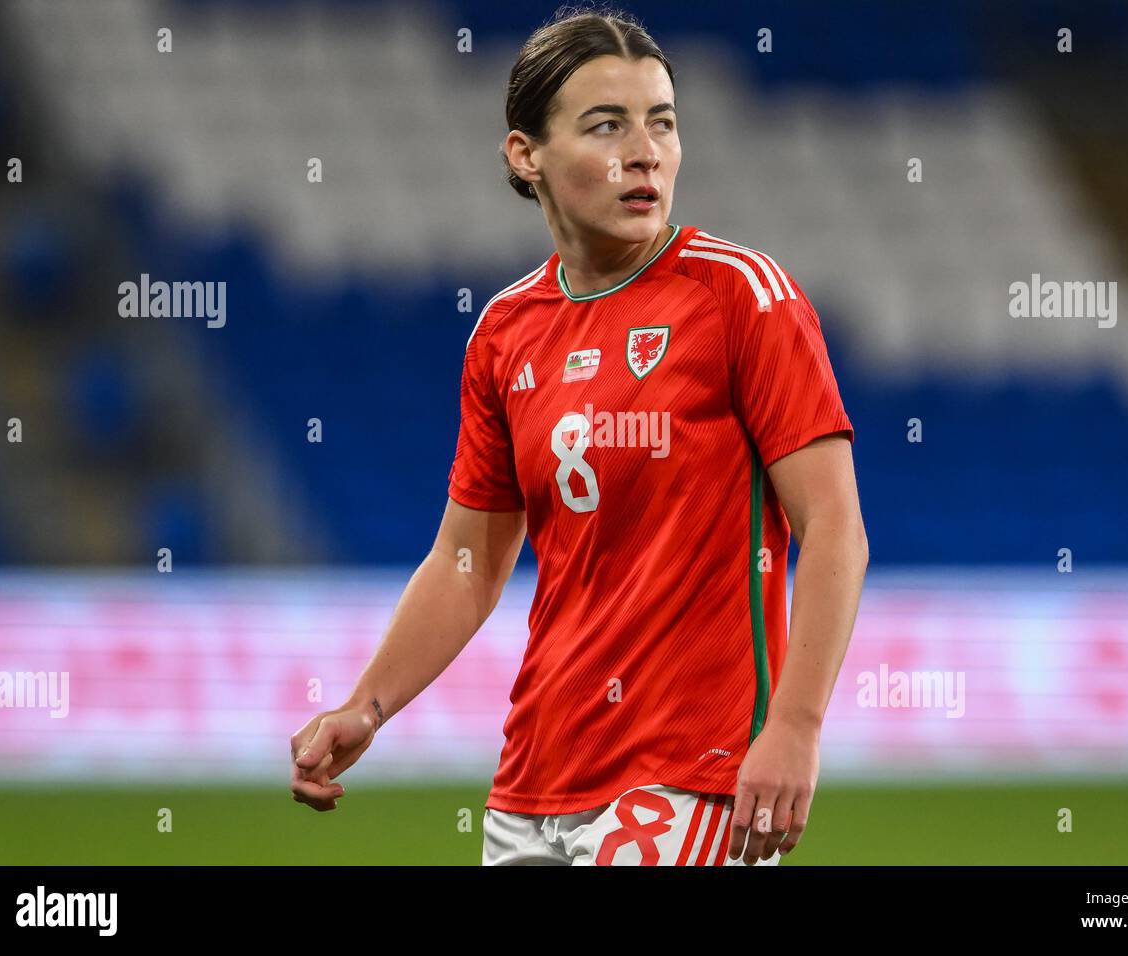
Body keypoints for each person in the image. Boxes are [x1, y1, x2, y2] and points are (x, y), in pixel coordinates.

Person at [291, 6, 868, 867]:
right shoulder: (504, 332)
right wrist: (366, 705)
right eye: (607, 126)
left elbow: (834, 530)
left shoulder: (742, 297)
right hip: (536, 778)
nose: (646, 152)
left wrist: (795, 726)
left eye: (662, 124)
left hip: (692, 774)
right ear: (526, 155)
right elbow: (468, 562)